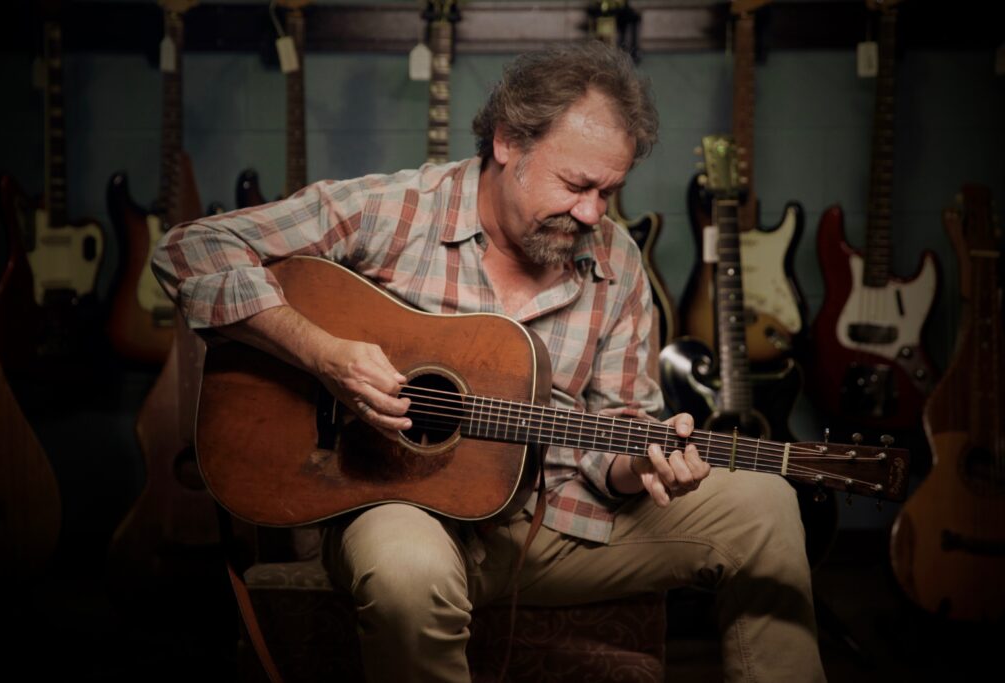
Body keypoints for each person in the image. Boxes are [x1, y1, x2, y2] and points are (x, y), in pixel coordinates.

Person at [153, 40, 825, 683]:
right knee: (407, 571)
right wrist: (324, 354)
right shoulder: (393, 209)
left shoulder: (617, 259)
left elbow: (615, 430)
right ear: (508, 142)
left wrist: (640, 463)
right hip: (399, 505)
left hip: (556, 521)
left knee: (766, 501)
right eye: (576, 183)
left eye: (609, 191)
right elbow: (187, 251)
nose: (593, 212)